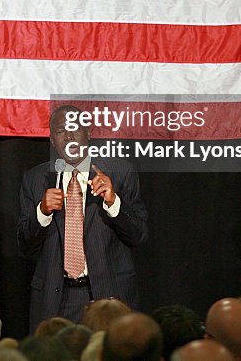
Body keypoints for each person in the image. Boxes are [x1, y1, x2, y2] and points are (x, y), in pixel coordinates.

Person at [17, 105, 148, 330]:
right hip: (55, 299)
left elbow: (139, 236)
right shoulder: (35, 179)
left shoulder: (119, 173)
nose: (68, 136)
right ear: (52, 140)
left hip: (108, 298)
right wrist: (43, 212)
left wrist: (113, 203)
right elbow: (25, 244)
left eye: (74, 128)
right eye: (60, 131)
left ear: (88, 133)